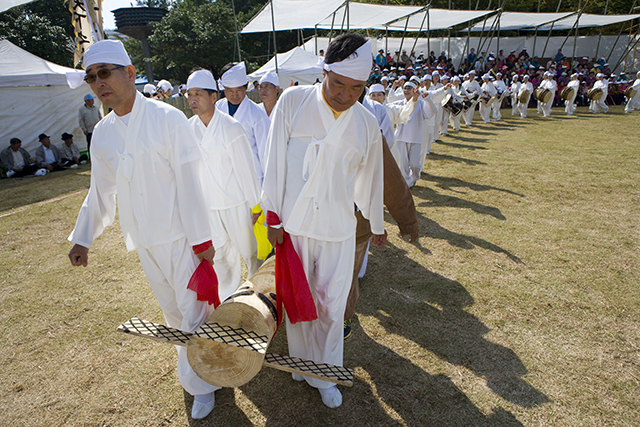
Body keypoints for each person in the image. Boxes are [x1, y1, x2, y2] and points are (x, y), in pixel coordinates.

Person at [66, 40, 218, 420]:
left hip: (182, 238)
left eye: (104, 73)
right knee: (173, 315)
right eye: (91, 78)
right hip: (145, 241)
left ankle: (202, 385)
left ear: (130, 73)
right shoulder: (102, 133)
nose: (98, 83)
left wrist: (202, 241)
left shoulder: (167, 119)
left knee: (193, 314)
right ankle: (200, 375)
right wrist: (83, 238)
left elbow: (190, 183)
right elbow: (101, 192)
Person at [261, 34, 385, 409]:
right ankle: (302, 364)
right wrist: (273, 217)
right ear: (324, 71)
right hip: (294, 226)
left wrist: (376, 223)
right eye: (338, 84)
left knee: (331, 305)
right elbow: (274, 164)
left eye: (357, 88)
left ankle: (326, 372)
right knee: (299, 300)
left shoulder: (365, 123)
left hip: (338, 228)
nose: (345, 95)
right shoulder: (293, 102)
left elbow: (373, 176)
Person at [186, 68, 262, 301]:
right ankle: (228, 302)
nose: (193, 100)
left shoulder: (231, 127)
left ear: (213, 97)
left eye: (198, 94)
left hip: (236, 203)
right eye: (190, 95)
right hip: (209, 206)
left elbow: (246, 171)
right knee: (220, 257)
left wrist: (255, 206)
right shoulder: (189, 128)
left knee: (251, 254)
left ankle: (260, 299)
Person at [216, 62, 270, 187]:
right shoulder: (217, 108)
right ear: (223, 89)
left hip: (252, 177)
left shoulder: (257, 114)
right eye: (229, 90)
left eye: (238, 90)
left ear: (246, 86)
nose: (234, 95)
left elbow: (265, 152)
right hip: (225, 177)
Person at [393, 79, 436, 187]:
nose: (406, 90)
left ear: (414, 91)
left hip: (415, 138)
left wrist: (428, 99)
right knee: (403, 165)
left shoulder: (421, 104)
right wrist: (393, 86)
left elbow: (432, 112)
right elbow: (389, 101)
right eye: (405, 88)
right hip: (401, 138)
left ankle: (414, 177)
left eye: (409, 88)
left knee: (415, 165)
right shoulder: (399, 104)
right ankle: (407, 183)